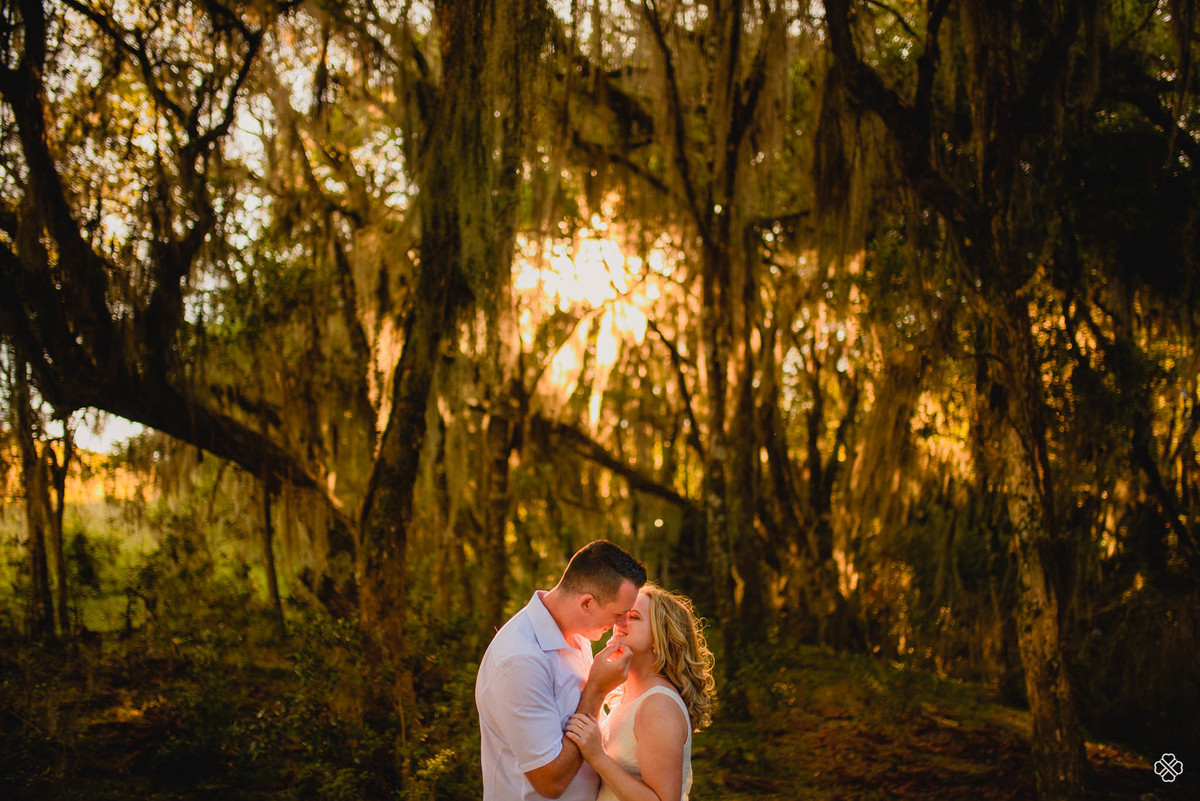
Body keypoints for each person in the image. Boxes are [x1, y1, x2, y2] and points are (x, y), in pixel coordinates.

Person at [476, 540, 648, 800]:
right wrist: (597, 689)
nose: (622, 624)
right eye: (619, 614)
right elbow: (551, 783)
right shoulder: (521, 661)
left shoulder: (579, 635)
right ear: (586, 603)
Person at [563, 584, 715, 801]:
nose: (620, 623)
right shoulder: (629, 698)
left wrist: (597, 756)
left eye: (634, 617)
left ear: (661, 636)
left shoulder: (658, 705)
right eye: (621, 615)